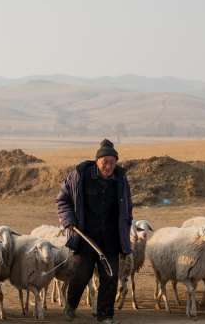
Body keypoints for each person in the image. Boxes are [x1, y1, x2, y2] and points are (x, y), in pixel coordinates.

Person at [56, 139, 133, 324]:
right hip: (85, 237)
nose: (108, 166)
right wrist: (68, 221)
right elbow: (62, 200)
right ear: (97, 160)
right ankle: (71, 306)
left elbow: (127, 208)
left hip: (111, 238)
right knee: (80, 274)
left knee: (110, 276)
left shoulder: (121, 180)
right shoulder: (80, 175)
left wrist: (125, 230)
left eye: (112, 162)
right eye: (104, 161)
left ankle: (105, 315)